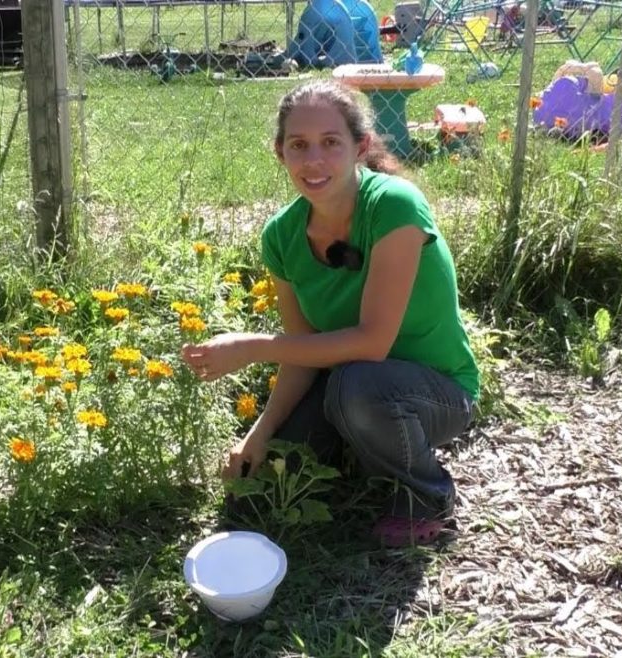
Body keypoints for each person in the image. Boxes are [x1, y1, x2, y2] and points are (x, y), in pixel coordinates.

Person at [180, 79, 480, 547]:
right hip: (350, 385)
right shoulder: (281, 235)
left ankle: (427, 496)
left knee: (356, 386)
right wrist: (259, 433)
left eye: (330, 142)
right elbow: (301, 354)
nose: (313, 160)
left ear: (360, 147)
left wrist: (250, 347)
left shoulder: (394, 206)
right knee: (262, 487)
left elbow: (372, 343)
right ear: (280, 153)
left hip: (436, 392)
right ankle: (362, 451)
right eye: (298, 145)